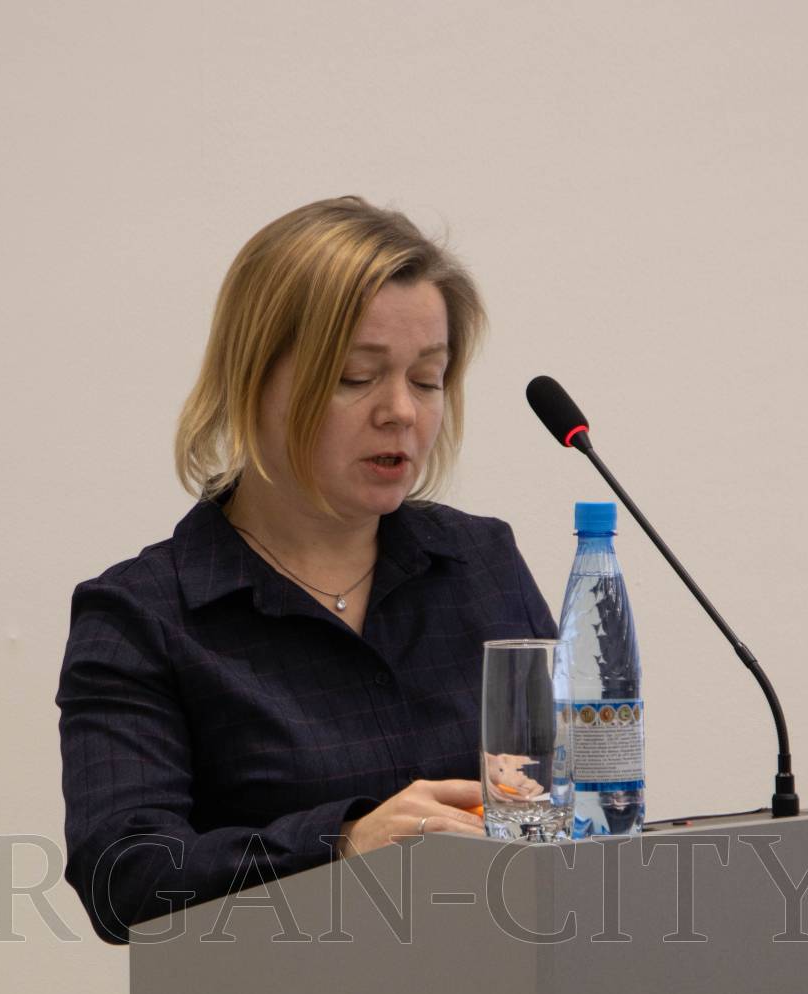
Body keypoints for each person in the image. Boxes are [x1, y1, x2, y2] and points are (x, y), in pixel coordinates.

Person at [55, 196, 557, 944]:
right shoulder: (144, 617)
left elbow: (568, 798)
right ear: (251, 379)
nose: (401, 412)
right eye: (357, 377)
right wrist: (342, 843)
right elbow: (122, 876)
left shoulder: (481, 565)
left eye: (427, 380)